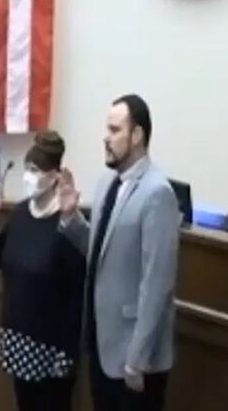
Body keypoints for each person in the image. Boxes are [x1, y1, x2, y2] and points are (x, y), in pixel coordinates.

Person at [59, 94, 180, 411]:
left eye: (114, 130)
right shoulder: (106, 184)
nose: (105, 137)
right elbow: (100, 253)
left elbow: (157, 284)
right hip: (102, 345)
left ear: (137, 135)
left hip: (134, 358)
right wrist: (72, 218)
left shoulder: (157, 193)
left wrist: (138, 358)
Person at [0, 131, 86, 411]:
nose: (27, 176)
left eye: (35, 170)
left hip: (51, 349)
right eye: (26, 169)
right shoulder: (21, 214)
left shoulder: (66, 224)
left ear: (54, 177)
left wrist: (68, 353)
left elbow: (77, 293)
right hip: (18, 339)